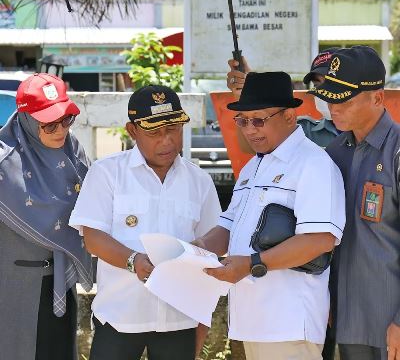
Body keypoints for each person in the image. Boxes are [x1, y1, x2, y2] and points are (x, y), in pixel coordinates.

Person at [193, 71, 346, 360]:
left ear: (289, 116)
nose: (250, 130)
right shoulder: (254, 166)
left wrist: (252, 264)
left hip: (288, 321)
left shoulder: (313, 164)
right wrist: (197, 250)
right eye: (243, 121)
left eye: (259, 120)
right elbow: (229, 225)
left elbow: (320, 240)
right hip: (253, 320)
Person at [68, 85, 221, 360]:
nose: (167, 141)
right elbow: (92, 237)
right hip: (119, 317)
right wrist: (133, 260)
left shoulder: (200, 181)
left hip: (180, 320)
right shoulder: (107, 173)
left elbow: (211, 249)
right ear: (132, 130)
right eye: (154, 133)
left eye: (173, 129)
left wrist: (202, 323)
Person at [307, 45, 400, 360]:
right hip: (348, 322)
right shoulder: (334, 153)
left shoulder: (397, 153)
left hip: (391, 323)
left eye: (342, 98)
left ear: (377, 97)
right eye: (329, 96)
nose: (332, 107)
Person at [0, 73, 93, 360]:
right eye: (49, 123)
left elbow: (92, 205)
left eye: (66, 119)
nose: (60, 130)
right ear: (26, 120)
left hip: (62, 282)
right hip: (14, 286)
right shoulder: (5, 163)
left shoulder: (71, 148)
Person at [227, 48, 341, 148]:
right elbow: (254, 146)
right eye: (317, 85)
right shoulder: (305, 131)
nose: (324, 91)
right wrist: (248, 95)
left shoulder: (358, 132)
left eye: (331, 82)